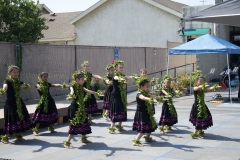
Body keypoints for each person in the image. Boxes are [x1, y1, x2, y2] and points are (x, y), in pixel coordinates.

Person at [64, 73, 100, 148]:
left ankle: (83, 139)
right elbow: (72, 91)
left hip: (81, 107)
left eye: (84, 79)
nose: (84, 81)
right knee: (75, 124)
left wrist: (96, 93)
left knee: (84, 121)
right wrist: (71, 95)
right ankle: (67, 142)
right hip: (75, 108)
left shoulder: (81, 86)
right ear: (77, 80)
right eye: (82, 79)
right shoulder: (73, 86)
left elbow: (88, 90)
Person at [0, 65, 31, 144]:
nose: (16, 74)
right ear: (9, 73)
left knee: (19, 118)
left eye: (17, 72)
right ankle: (5, 137)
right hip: (11, 104)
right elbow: (5, 86)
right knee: (11, 119)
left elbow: (24, 84)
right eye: (14, 72)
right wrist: (3, 91)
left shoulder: (17, 81)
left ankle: (18, 134)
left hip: (19, 103)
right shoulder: (7, 81)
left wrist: (26, 85)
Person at [108, 60, 132, 133]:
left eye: (122, 68)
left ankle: (119, 126)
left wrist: (134, 77)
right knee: (116, 110)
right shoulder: (115, 76)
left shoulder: (122, 75)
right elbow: (116, 78)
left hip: (121, 95)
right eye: (120, 68)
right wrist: (122, 79)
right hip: (115, 95)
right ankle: (112, 128)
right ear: (116, 68)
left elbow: (127, 77)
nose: (121, 69)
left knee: (121, 109)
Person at [132, 77, 157, 146]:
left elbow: (152, 96)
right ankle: (136, 141)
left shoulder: (146, 93)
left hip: (147, 112)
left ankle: (147, 137)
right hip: (141, 113)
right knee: (142, 128)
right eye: (147, 87)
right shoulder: (139, 94)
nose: (148, 88)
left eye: (149, 87)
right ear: (141, 87)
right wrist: (150, 99)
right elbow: (143, 98)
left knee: (150, 125)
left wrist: (160, 99)